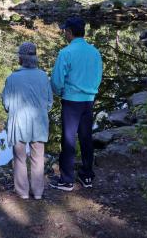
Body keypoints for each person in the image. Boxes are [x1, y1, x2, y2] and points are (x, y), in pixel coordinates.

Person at [50, 17, 103, 191]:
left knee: (68, 139)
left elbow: (57, 80)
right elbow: (98, 76)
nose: (64, 33)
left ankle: (67, 180)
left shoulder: (66, 52)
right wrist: (92, 90)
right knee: (86, 138)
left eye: (65, 30)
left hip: (72, 100)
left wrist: (59, 92)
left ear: (70, 32)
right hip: (89, 100)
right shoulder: (94, 52)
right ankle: (87, 175)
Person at [1, 42, 53, 200]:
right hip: (39, 123)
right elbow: (49, 103)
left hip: (18, 124)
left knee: (20, 158)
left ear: (20, 59)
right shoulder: (44, 76)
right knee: (38, 158)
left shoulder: (12, 78)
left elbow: (7, 104)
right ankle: (38, 192)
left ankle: (23, 192)